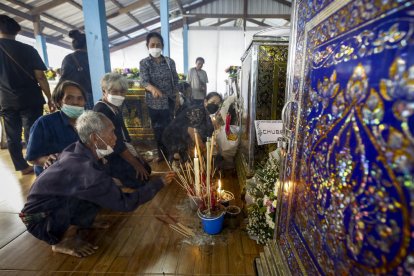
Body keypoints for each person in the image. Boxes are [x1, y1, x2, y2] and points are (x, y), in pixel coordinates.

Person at [19, 111, 175, 258]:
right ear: (95, 138)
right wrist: (158, 184)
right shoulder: (84, 169)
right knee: (105, 190)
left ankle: (84, 221)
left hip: (50, 206)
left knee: (103, 189)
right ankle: (59, 241)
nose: (115, 138)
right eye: (112, 132)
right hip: (40, 220)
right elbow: (125, 203)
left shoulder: (77, 148)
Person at [0, 15, 54, 175]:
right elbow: (40, 77)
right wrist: (50, 98)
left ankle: (22, 166)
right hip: (30, 99)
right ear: (16, 31)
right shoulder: (28, 50)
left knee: (12, 136)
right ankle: (37, 163)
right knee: (32, 132)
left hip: (6, 100)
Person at [93, 73, 151, 188]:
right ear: (104, 91)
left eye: (122, 92)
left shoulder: (114, 107)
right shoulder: (102, 110)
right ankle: (110, 179)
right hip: (109, 154)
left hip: (118, 149)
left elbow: (125, 136)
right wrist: (135, 164)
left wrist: (137, 155)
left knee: (146, 169)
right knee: (140, 179)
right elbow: (116, 144)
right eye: (114, 91)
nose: (119, 95)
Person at [25, 80, 86, 176]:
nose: (75, 102)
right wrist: (47, 160)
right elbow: (31, 158)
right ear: (58, 102)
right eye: (69, 98)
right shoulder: (45, 123)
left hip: (82, 174)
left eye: (80, 98)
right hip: (55, 178)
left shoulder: (88, 122)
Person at [139, 31, 179, 162]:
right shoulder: (145, 63)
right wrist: (152, 88)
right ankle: (161, 155)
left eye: (158, 44)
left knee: (170, 129)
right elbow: (143, 81)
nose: (155, 47)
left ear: (162, 46)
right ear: (147, 46)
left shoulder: (169, 62)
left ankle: (171, 154)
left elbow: (176, 80)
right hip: (153, 103)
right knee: (158, 131)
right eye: (152, 44)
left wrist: (177, 95)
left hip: (169, 102)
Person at [162, 92, 223, 162]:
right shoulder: (198, 111)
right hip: (175, 137)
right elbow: (192, 131)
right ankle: (177, 158)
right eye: (213, 102)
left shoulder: (207, 114)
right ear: (205, 102)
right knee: (190, 159)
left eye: (218, 104)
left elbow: (207, 133)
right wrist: (204, 150)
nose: (215, 105)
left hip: (185, 137)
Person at [60, 30, 94, 109]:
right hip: (89, 95)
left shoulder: (68, 58)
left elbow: (63, 79)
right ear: (87, 44)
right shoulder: (93, 58)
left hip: (72, 95)